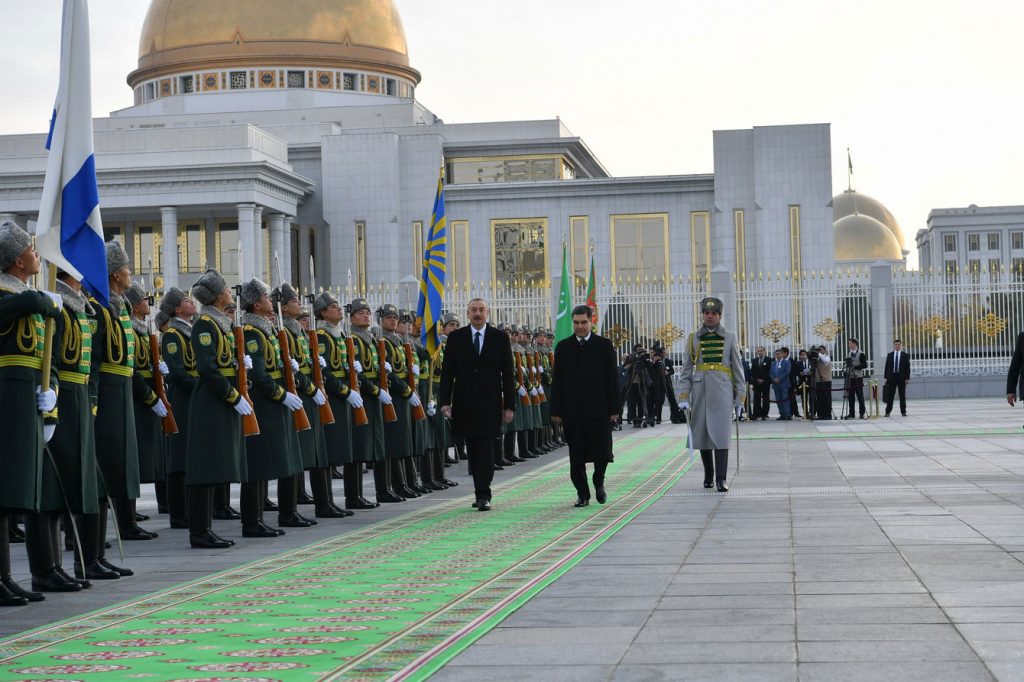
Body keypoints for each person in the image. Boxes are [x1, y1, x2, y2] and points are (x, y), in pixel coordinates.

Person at [0, 221, 63, 605]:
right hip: (6, 397)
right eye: (31, 249)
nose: (37, 254)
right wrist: (42, 300)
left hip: (27, 401)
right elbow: (20, 306)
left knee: (17, 492)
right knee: (4, 491)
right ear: (17, 259)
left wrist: (51, 391)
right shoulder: (12, 295)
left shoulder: (26, 295)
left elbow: (47, 357)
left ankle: (7, 577)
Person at [186, 269, 250, 548]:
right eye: (224, 289)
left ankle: (206, 528)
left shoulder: (221, 324)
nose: (228, 292)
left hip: (221, 400)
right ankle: (199, 531)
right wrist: (232, 395)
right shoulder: (204, 325)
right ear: (216, 296)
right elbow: (208, 369)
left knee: (213, 467)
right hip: (211, 401)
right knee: (204, 468)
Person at [238, 278, 302, 537]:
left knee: (276, 460)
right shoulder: (253, 333)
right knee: (258, 463)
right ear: (256, 304)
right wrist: (281, 394)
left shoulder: (267, 329)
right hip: (264, 403)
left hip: (274, 403)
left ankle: (272, 516)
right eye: (265, 296)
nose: (270, 299)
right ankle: (251, 521)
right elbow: (261, 375)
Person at [438, 298, 516, 511]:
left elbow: (508, 374)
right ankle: (479, 489)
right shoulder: (456, 338)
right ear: (468, 313)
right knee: (473, 449)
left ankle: (484, 493)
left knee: (487, 449)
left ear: (487, 313)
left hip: (490, 403)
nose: (477, 314)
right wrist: (444, 401)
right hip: (465, 403)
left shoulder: (500, 338)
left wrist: (509, 405)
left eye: (481, 310)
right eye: (474, 310)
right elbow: (447, 373)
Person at [550, 305, 620, 507]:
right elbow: (558, 381)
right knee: (576, 455)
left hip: (599, 410)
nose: (580, 327)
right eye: (576, 323)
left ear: (592, 322)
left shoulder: (604, 345)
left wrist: (614, 409)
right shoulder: (563, 347)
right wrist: (556, 411)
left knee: (602, 451)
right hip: (573, 411)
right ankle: (582, 493)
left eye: (584, 322)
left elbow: (612, 380)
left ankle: (599, 482)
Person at [677, 297, 746, 492]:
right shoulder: (693, 338)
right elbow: (686, 369)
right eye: (706, 313)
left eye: (713, 313)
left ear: (719, 316)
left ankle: (721, 479)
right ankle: (708, 474)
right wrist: (683, 396)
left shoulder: (730, 337)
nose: (709, 316)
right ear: (702, 315)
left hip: (723, 390)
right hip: (700, 390)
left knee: (722, 434)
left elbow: (738, 369)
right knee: (703, 434)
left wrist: (740, 397)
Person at [159, 288, 197, 529]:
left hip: (191, 395)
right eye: (185, 300)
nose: (191, 302)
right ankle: (178, 513)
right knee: (178, 457)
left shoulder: (188, 332)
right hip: (182, 397)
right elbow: (177, 371)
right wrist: (200, 388)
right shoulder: (173, 334)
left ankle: (187, 509)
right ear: (176, 309)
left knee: (188, 454)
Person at [883, 339, 911, 417]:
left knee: (902, 395)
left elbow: (907, 368)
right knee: (890, 396)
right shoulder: (890, 355)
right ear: (894, 345)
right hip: (891, 378)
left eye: (899, 344)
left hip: (901, 378)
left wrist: (907, 378)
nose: (897, 346)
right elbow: (887, 367)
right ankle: (887, 412)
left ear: (901, 345)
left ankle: (903, 411)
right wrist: (886, 377)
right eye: (896, 344)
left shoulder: (905, 355)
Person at [844, 338, 868, 419]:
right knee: (850, 396)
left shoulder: (861, 354)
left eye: (850, 343)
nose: (849, 345)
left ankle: (862, 413)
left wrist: (855, 367)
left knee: (860, 395)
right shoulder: (849, 353)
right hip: (850, 377)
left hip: (858, 377)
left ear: (854, 344)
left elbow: (864, 365)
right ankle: (851, 413)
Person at [750, 346, 771, 420]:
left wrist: (763, 379)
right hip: (757, 383)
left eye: (761, 351)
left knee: (765, 399)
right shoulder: (755, 360)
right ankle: (756, 413)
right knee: (756, 399)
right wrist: (756, 379)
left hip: (765, 382)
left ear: (764, 351)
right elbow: (752, 371)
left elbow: (769, 371)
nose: (760, 352)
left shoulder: (769, 360)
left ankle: (764, 414)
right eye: (758, 351)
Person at [770, 349, 792, 421]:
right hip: (776, 384)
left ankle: (788, 414)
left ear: (782, 354)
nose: (778, 355)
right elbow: (771, 373)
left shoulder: (786, 362)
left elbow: (787, 372)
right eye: (776, 354)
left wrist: (779, 379)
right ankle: (782, 414)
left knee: (785, 399)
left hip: (784, 384)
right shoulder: (773, 363)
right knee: (778, 400)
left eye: (779, 354)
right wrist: (774, 379)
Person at [814, 345, 833, 420]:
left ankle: (828, 414)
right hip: (818, 380)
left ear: (825, 350)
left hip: (826, 380)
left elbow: (826, 362)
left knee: (827, 398)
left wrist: (818, 353)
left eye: (821, 349)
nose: (820, 351)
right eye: (819, 350)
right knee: (819, 398)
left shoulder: (827, 357)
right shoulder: (817, 358)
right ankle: (821, 414)